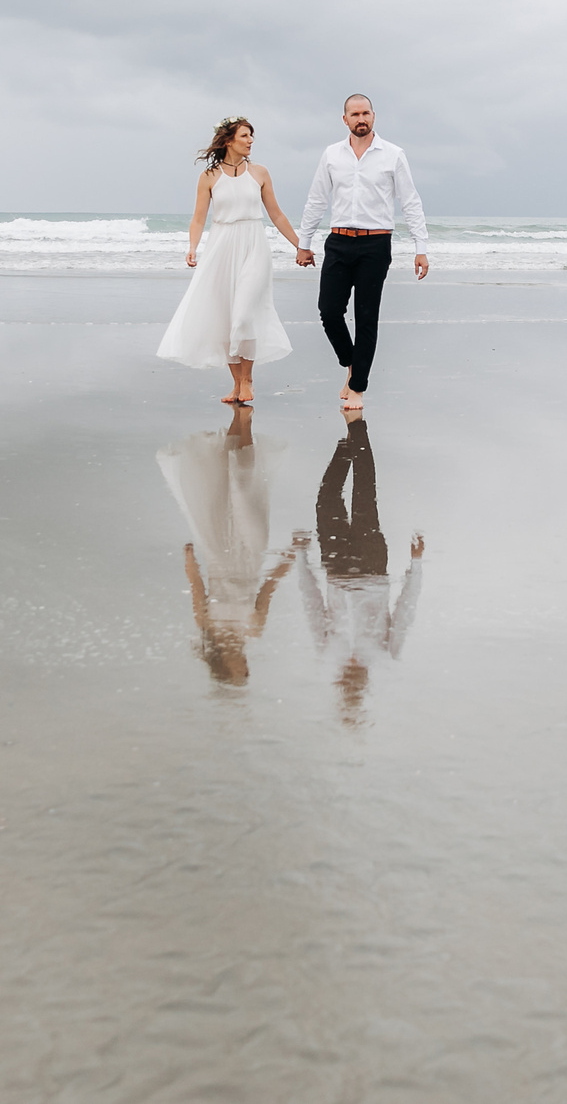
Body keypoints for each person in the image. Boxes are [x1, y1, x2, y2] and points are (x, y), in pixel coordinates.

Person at [156, 116, 307, 405]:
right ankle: (236, 384)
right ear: (228, 141)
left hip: (254, 245)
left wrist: (301, 246)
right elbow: (199, 217)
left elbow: (276, 214)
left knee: (244, 313)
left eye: (251, 136)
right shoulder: (210, 177)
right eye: (245, 136)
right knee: (225, 317)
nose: (250, 141)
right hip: (221, 247)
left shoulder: (260, 173)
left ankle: (248, 379)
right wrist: (192, 247)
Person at [293, 94, 428, 411]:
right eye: (354, 114)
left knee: (367, 317)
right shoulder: (331, 155)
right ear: (345, 120)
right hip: (338, 241)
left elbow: (410, 202)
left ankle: (357, 388)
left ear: (374, 116)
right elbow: (316, 200)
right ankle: (352, 364)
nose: (360, 118)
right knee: (329, 311)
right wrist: (304, 242)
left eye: (365, 112)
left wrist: (421, 248)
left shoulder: (393, 155)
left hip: (375, 244)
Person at [290, 418, 424, 725]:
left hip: (336, 569)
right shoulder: (384, 656)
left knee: (326, 499)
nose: (349, 680)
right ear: (362, 686)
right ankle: (358, 430)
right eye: (354, 686)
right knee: (364, 493)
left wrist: (301, 556)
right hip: (372, 568)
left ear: (339, 682)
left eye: (345, 685)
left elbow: (313, 607)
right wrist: (415, 565)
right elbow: (404, 614)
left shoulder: (328, 654)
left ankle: (348, 445)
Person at [158, 408, 299, 686]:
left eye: (240, 673)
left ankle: (240, 417)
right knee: (245, 490)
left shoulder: (206, 625)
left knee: (228, 484)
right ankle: (244, 419)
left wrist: (190, 558)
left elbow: (197, 588)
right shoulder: (254, 630)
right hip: (252, 552)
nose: (246, 669)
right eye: (247, 673)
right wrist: (291, 554)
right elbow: (268, 587)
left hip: (218, 552)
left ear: (225, 666)